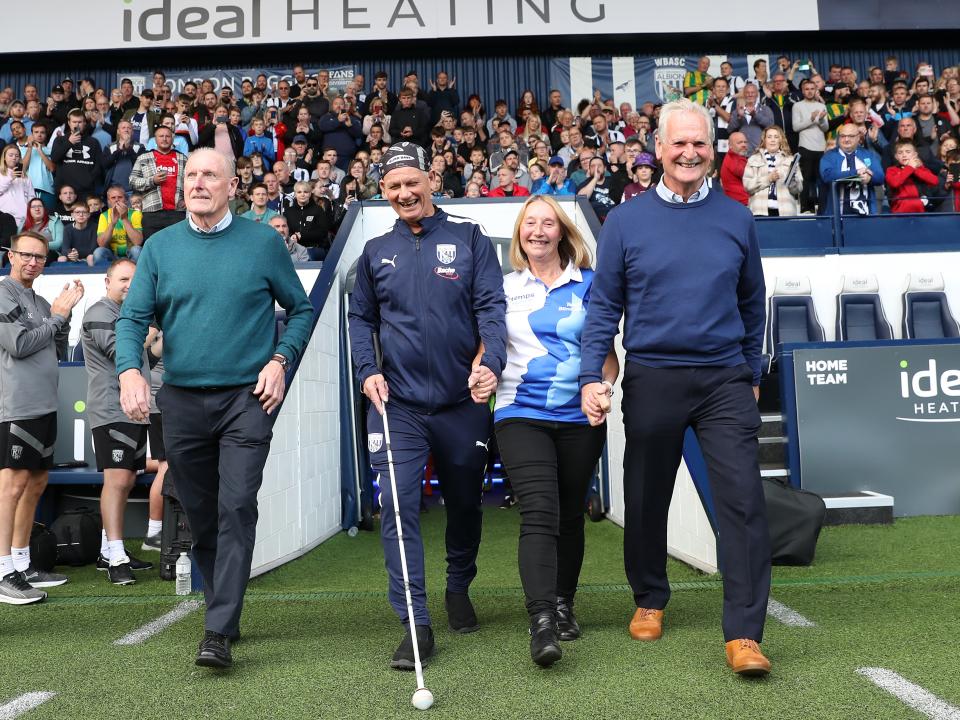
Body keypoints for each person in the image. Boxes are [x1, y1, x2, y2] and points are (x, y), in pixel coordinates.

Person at [578, 99, 772, 676]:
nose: (690, 153)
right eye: (678, 144)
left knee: (743, 503)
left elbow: (752, 301)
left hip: (723, 381)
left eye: (700, 144)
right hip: (653, 376)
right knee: (644, 497)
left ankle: (744, 633)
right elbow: (604, 305)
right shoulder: (625, 222)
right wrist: (594, 373)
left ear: (712, 150)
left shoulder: (737, 217)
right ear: (658, 149)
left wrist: (751, 374)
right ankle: (649, 597)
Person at [115, 148, 313, 668]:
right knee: (200, 516)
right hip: (181, 399)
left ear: (232, 187)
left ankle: (218, 628)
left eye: (210, 175)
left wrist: (280, 359)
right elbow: (133, 318)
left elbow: (302, 308)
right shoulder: (160, 248)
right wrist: (130, 370)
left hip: (247, 398)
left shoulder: (262, 242)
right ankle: (223, 609)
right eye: (191, 175)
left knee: (237, 505)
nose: (199, 183)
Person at [348, 142, 506, 671]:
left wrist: (493, 363)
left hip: (463, 402)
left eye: (411, 182)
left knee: (465, 501)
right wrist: (367, 372)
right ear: (383, 192)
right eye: (393, 187)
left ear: (431, 179)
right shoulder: (374, 253)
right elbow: (361, 320)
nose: (403, 193)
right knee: (397, 506)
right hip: (398, 405)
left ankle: (458, 584)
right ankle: (415, 621)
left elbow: (490, 307)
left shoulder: (469, 239)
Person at [494, 195, 617, 667]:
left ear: (564, 232)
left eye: (548, 223)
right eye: (530, 224)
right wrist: (481, 371)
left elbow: (607, 355)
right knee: (540, 509)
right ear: (520, 234)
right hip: (518, 411)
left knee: (569, 513)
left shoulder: (591, 285)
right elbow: (488, 347)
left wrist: (603, 388)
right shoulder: (503, 288)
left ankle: (564, 602)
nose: (538, 231)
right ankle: (542, 619)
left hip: (578, 416)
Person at [0, 232, 83, 604]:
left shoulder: (39, 300)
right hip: (16, 404)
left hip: (45, 404)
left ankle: (23, 563)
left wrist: (64, 318)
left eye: (40, 257)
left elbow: (54, 346)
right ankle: (3, 571)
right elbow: (19, 345)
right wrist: (58, 317)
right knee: (12, 486)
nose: (33, 262)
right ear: (12, 256)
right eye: (26, 255)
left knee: (36, 482)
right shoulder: (4, 293)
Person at [81, 259, 154, 585]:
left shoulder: (129, 316)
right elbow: (119, 351)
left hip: (132, 410)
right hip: (111, 410)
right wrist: (149, 335)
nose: (129, 285)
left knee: (126, 481)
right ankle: (116, 556)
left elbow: (145, 357)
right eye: (123, 279)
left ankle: (108, 551)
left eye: (134, 280)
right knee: (117, 481)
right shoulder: (100, 312)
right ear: (107, 281)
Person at [128, 126, 187, 241]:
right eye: (161, 136)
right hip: (151, 212)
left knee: (176, 248)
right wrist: (152, 181)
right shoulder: (143, 158)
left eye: (168, 136)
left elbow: (192, 182)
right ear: (155, 139)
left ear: (172, 139)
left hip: (177, 212)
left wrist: (188, 200)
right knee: (153, 249)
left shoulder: (183, 159)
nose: (164, 139)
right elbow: (132, 181)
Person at [819, 125, 884, 216]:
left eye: (851, 136)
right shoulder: (829, 156)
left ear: (858, 137)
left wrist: (869, 178)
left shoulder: (868, 155)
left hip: (866, 212)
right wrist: (855, 174)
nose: (846, 139)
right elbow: (827, 176)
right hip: (838, 215)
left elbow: (880, 177)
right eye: (843, 136)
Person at [743, 126, 803, 216]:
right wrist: (768, 179)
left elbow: (798, 190)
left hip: (785, 212)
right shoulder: (753, 159)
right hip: (759, 211)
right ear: (764, 140)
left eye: (776, 137)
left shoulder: (790, 160)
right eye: (769, 137)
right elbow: (747, 186)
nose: (773, 140)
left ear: (780, 140)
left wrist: (792, 180)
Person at [94, 185, 144, 265]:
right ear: (108, 201)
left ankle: (138, 276)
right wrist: (113, 223)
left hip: (130, 255)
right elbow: (101, 244)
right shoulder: (104, 216)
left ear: (125, 200)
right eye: (113, 198)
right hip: (113, 255)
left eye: (120, 197)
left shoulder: (135, 214)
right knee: (99, 252)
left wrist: (124, 218)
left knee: (136, 250)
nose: (117, 200)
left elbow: (138, 242)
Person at [885, 140, 940, 213]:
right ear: (896, 157)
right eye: (900, 153)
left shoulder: (920, 168)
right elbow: (894, 183)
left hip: (920, 210)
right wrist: (910, 168)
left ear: (915, 155)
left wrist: (914, 169)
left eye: (908, 152)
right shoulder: (891, 170)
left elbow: (935, 181)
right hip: (900, 211)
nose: (904, 155)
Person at [0, 144, 34, 228]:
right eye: (10, 155)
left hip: (23, 218)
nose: (14, 158)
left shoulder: (25, 177)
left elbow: (31, 197)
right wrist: (10, 178)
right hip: (4, 218)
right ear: (4, 157)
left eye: (17, 156)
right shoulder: (1, 174)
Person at [720, 131, 750, 205]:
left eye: (745, 142)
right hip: (741, 204)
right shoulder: (732, 159)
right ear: (730, 145)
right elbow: (749, 174)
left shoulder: (737, 157)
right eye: (739, 143)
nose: (743, 145)